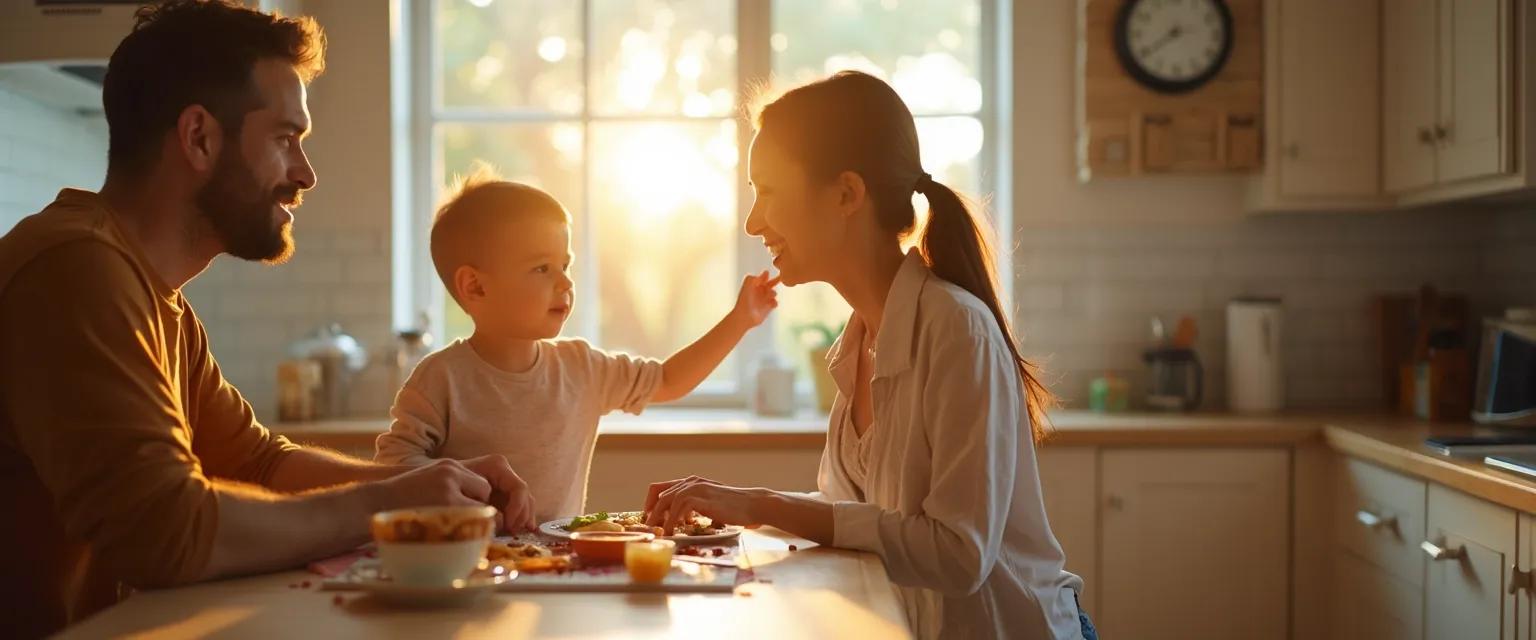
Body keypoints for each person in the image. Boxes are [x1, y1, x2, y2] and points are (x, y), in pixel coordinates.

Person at [0, 3, 532, 636]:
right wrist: (390, 504)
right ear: (199, 137)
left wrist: (422, 480)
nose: (304, 173)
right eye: (285, 138)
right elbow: (165, 533)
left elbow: (256, 464)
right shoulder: (75, 268)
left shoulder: (156, 300)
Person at [641, 71, 1096, 639]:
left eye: (769, 191)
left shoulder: (957, 329)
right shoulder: (857, 341)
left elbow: (958, 555)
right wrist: (737, 511)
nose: (754, 221)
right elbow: (854, 519)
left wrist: (759, 502)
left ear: (846, 194)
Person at [375, 169, 780, 522]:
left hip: (560, 564)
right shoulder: (440, 378)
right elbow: (393, 466)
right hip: (469, 560)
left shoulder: (582, 367)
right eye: (541, 268)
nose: (566, 283)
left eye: (564, 265)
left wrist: (740, 320)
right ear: (475, 286)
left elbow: (669, 380)